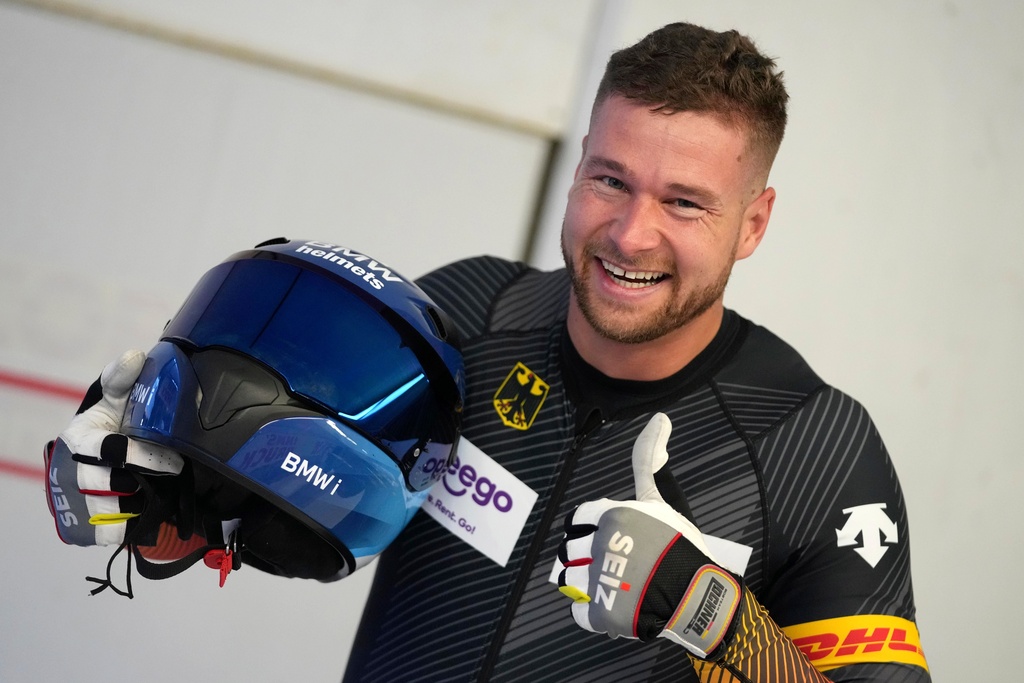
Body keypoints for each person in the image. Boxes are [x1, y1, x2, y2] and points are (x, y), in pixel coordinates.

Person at [48, 21, 929, 683]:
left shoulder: (814, 445)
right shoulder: (465, 315)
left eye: (686, 203)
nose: (631, 232)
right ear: (581, 163)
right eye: (611, 180)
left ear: (755, 223)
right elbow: (245, 520)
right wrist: (145, 486)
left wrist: (713, 617)